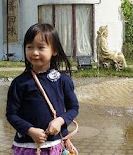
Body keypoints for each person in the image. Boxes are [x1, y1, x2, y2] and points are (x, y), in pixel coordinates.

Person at [6, 23, 79, 154]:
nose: (34, 52)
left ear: (54, 50)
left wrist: (60, 121)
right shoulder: (20, 83)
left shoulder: (63, 80)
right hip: (28, 146)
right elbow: (11, 114)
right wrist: (29, 130)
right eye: (30, 47)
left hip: (55, 145)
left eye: (41, 47)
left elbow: (73, 108)